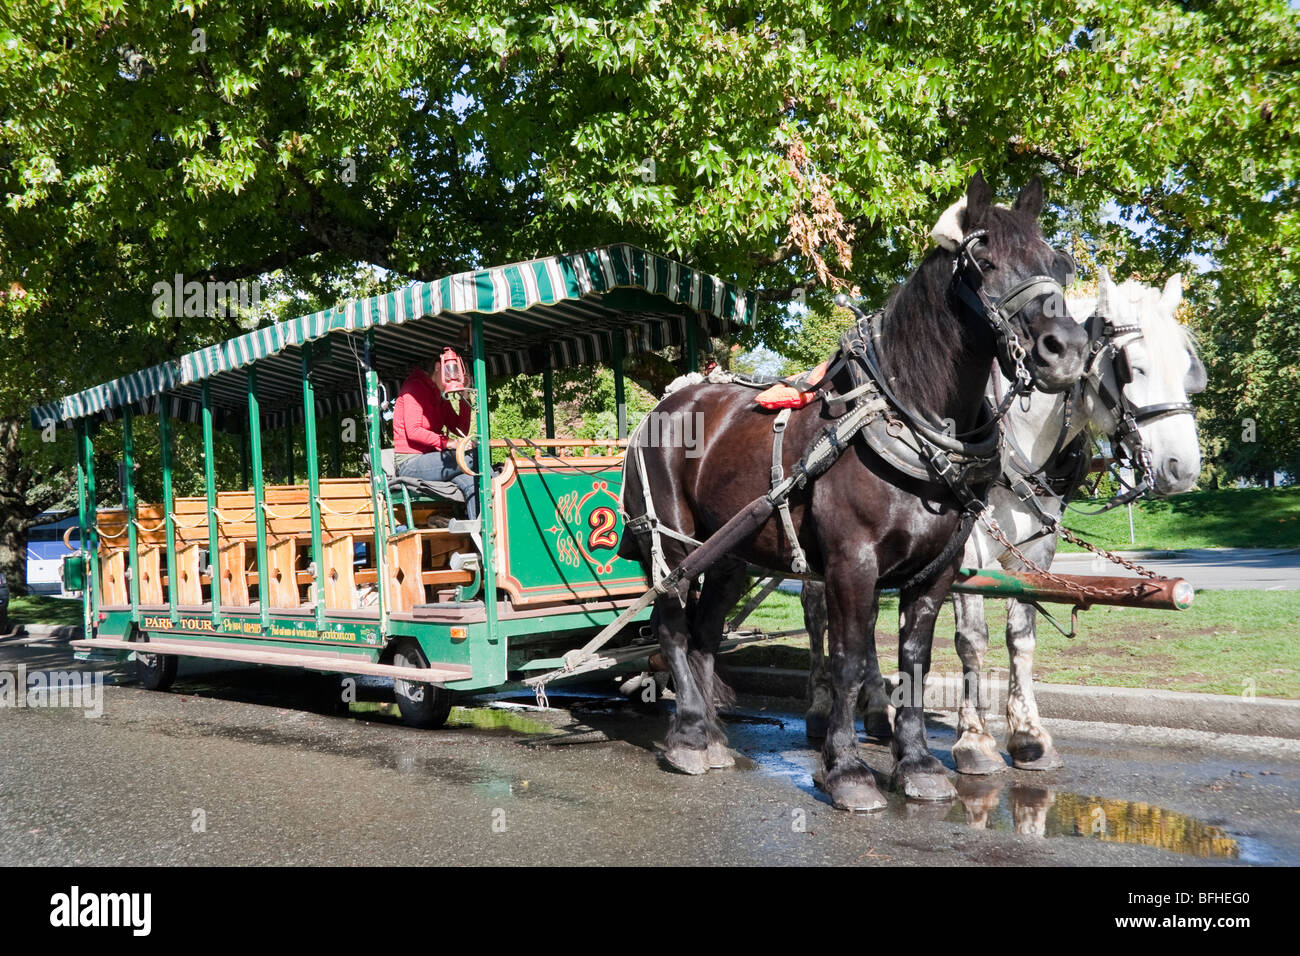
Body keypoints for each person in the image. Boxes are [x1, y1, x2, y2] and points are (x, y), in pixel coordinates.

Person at [392, 354, 478, 518]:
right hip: (410, 463)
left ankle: (480, 535)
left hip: (434, 459)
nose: (455, 378)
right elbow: (414, 431)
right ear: (438, 367)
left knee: (472, 480)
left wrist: (464, 396)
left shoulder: (439, 395)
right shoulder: (414, 387)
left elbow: (460, 429)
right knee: (474, 458)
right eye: (451, 372)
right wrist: (449, 443)